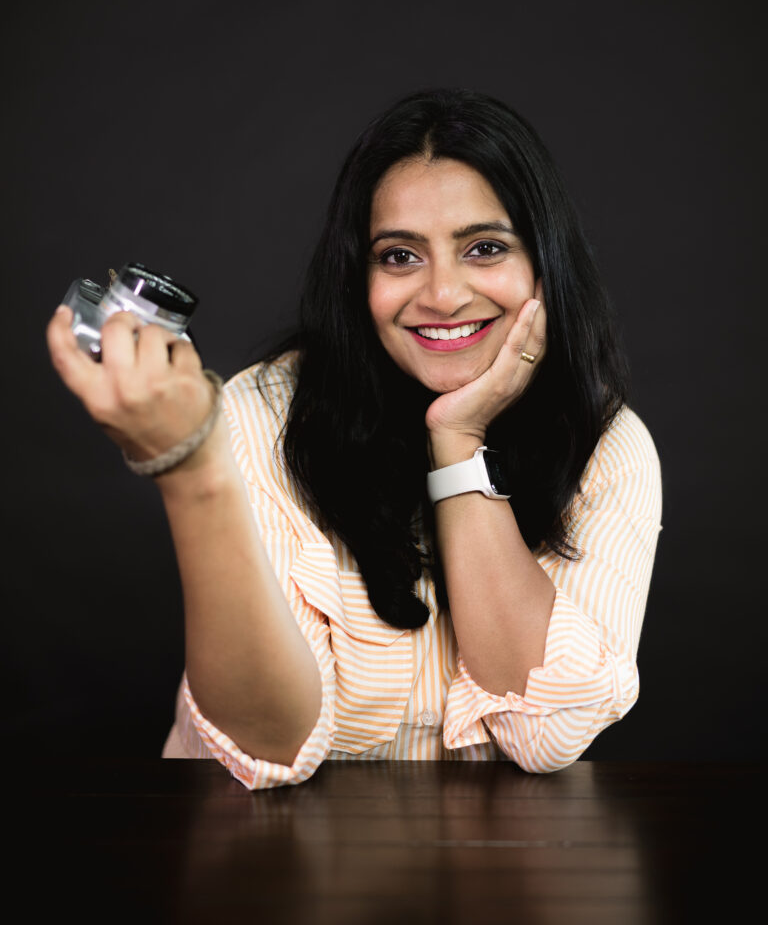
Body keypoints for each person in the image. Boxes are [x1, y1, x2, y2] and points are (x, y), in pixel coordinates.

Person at [47, 88, 661, 789]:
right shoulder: (262, 414)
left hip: (490, 878)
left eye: (484, 248)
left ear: (546, 265)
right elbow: (273, 748)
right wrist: (193, 470)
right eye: (400, 256)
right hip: (258, 863)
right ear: (358, 276)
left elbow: (547, 734)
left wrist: (458, 440)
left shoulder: (609, 447)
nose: (441, 294)